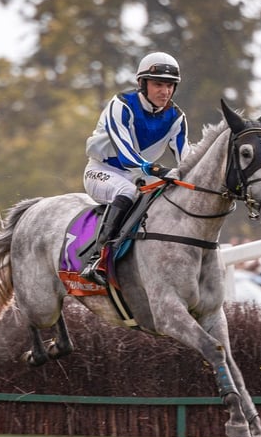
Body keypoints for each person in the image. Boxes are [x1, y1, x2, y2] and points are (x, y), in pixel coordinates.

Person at [80, 51, 191, 284]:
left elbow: (187, 160)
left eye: (170, 85)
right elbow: (127, 156)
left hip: (141, 176)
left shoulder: (177, 117)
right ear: (142, 83)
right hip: (103, 171)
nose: (165, 91)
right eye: (158, 84)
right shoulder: (121, 104)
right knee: (127, 192)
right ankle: (98, 259)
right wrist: (158, 170)